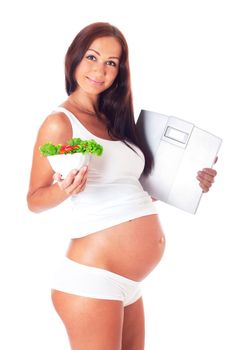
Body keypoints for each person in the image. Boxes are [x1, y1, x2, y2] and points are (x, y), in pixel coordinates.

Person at [27, 22, 217, 350]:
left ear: (119, 71)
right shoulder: (60, 122)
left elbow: (131, 189)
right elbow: (34, 199)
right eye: (92, 57)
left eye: (111, 63)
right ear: (73, 58)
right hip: (92, 280)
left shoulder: (116, 122)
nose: (99, 70)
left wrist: (191, 179)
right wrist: (64, 190)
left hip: (129, 284)